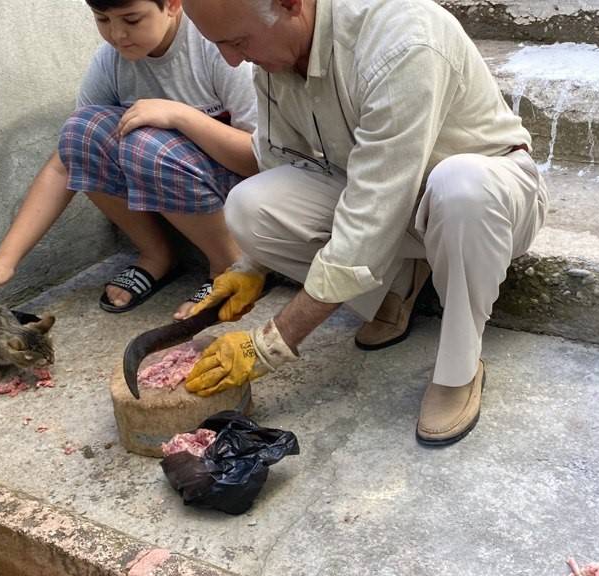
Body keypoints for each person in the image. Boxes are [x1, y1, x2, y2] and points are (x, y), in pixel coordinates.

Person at [179, 0, 548, 445]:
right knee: (249, 206)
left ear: (290, 4)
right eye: (218, 44)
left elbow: (371, 215)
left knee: (459, 185)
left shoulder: (403, 38)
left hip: (489, 197)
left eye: (237, 42)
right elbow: (285, 167)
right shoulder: (275, 55)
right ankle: (399, 283)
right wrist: (250, 268)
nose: (232, 60)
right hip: (387, 197)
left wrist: (271, 344)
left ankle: (459, 367)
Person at [0, 0, 258, 319]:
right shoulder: (111, 61)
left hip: (241, 189)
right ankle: (156, 253)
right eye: (102, 20)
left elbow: (259, 159)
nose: (117, 34)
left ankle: (230, 265)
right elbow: (67, 160)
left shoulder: (213, 43)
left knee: (144, 143)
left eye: (132, 20)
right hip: (176, 177)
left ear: (173, 5)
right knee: (81, 131)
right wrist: (5, 259)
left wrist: (180, 116)